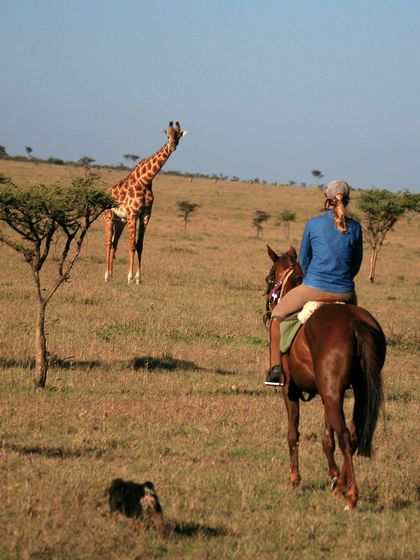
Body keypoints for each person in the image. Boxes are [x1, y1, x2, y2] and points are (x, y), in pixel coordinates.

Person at [265, 180, 363, 387]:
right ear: (347, 201)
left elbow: (304, 261)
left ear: (325, 198)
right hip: (346, 292)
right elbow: (355, 265)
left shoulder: (313, 224)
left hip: (313, 287)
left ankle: (275, 370)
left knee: (276, 316)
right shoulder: (356, 228)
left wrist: (314, 279)